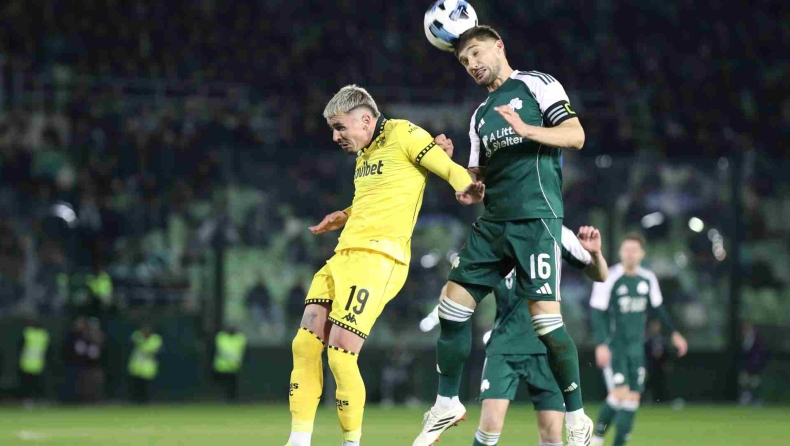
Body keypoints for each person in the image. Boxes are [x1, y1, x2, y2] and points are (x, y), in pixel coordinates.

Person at [415, 25, 592, 446]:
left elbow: (576, 136)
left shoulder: (537, 85)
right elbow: (478, 176)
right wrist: (465, 181)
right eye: (464, 61)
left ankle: (578, 418)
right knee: (451, 307)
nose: (472, 64)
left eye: (477, 53)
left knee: (546, 323)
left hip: (536, 218)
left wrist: (530, 130)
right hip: (495, 222)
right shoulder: (480, 115)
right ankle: (447, 403)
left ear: (499, 47)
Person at [285, 85, 484, 446]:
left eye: (340, 127)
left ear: (365, 119)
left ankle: (351, 443)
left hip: (379, 258)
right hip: (343, 255)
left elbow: (447, 167)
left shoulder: (404, 133)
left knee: (341, 355)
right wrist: (344, 214)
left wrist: (466, 186)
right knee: (304, 345)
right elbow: (377, 198)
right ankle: (298, 440)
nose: (335, 137)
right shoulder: (364, 155)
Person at [421, 226, 608, 446]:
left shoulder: (554, 229)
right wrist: (451, 291)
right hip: (504, 344)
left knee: (551, 434)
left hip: (548, 348)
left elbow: (600, 275)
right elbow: (459, 285)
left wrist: (595, 253)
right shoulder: (496, 228)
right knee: (489, 426)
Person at [590, 234, 689, 446]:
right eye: (626, 249)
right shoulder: (609, 276)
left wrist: (674, 333)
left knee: (633, 398)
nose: (630, 254)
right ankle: (596, 438)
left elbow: (659, 309)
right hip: (615, 347)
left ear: (642, 254)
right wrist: (601, 344)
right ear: (620, 252)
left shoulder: (648, 278)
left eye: (634, 250)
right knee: (620, 393)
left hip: (636, 349)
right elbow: (597, 312)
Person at [128, 326, 162, 404]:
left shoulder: (155, 339)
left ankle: (147, 402)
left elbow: (156, 349)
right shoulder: (137, 336)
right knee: (136, 387)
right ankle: (135, 401)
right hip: (136, 367)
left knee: (147, 388)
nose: (146, 332)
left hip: (148, 368)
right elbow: (133, 339)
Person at [18, 319, 50, 403]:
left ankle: (29, 400)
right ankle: (39, 400)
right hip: (38, 363)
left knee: (28, 384)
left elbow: (19, 346)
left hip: (27, 363)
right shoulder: (43, 335)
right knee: (38, 384)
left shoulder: (27, 333)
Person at [213, 326, 247, 402]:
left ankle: (232, 399)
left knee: (232, 385)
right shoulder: (222, 338)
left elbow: (242, 339)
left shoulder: (238, 339)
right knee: (222, 385)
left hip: (233, 367)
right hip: (221, 367)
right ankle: (222, 398)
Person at [738, 322, 768, 406]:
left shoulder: (758, 339)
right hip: (746, 366)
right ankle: (745, 398)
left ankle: (756, 399)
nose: (744, 331)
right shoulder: (744, 339)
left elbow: (761, 354)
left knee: (755, 383)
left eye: (746, 329)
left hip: (756, 366)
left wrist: (757, 365)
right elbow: (743, 354)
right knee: (744, 381)